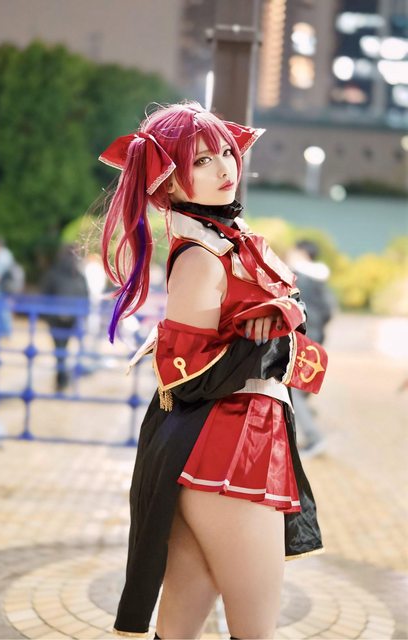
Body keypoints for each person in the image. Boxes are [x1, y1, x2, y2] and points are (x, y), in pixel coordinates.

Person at [99, 102, 328, 639]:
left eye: (226, 151)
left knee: (180, 623)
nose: (225, 167)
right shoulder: (202, 257)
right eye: (202, 160)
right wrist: (267, 341)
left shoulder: (229, 245)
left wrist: (276, 327)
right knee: (254, 629)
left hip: (238, 441)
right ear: (168, 179)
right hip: (228, 450)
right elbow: (188, 376)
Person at [287, 240, 335, 457]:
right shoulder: (320, 278)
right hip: (315, 338)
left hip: (302, 337)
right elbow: (328, 312)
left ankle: (314, 437)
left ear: (303, 253)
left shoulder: (298, 277)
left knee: (293, 389)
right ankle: (305, 426)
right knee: (300, 387)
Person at [41, 244, 89, 391]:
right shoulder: (78, 275)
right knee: (64, 347)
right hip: (72, 317)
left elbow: (45, 294)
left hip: (56, 317)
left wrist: (47, 316)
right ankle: (63, 378)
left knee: (59, 348)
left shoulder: (53, 272)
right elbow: (85, 296)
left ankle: (61, 378)